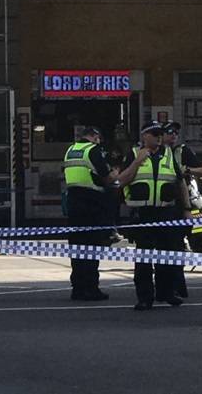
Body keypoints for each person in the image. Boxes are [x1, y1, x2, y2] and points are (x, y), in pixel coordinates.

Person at [118, 121, 192, 311]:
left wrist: (186, 209)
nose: (159, 137)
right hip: (143, 213)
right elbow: (121, 180)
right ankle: (145, 297)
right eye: (154, 134)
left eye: (160, 134)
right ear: (144, 137)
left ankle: (166, 293)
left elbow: (180, 182)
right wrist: (137, 162)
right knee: (144, 257)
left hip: (166, 212)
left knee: (166, 255)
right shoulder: (134, 154)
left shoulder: (169, 154)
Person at [63, 126, 119, 301]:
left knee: (77, 248)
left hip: (73, 202)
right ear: (94, 136)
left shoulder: (71, 150)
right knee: (92, 247)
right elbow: (107, 177)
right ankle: (91, 288)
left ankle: (77, 288)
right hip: (92, 203)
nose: (99, 141)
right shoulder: (93, 150)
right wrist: (116, 172)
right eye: (98, 137)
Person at [162, 120, 202, 298]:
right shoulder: (155, 153)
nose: (173, 135)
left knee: (176, 245)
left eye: (175, 132)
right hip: (160, 205)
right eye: (169, 132)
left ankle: (177, 286)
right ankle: (168, 286)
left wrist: (187, 169)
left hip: (181, 203)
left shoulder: (182, 151)